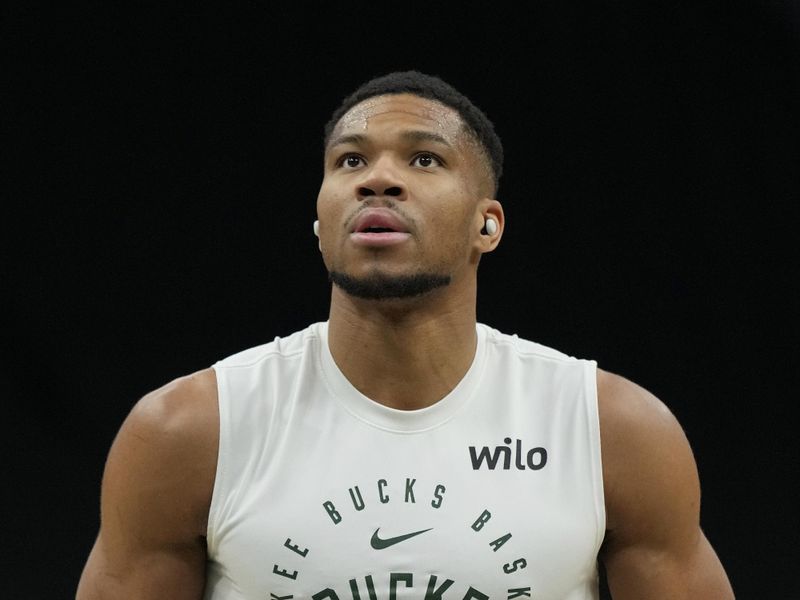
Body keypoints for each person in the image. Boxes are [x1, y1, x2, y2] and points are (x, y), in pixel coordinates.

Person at [77, 71, 734, 599]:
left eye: (424, 158)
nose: (378, 178)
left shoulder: (611, 429)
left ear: (488, 225)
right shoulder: (189, 432)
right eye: (349, 160)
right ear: (318, 220)